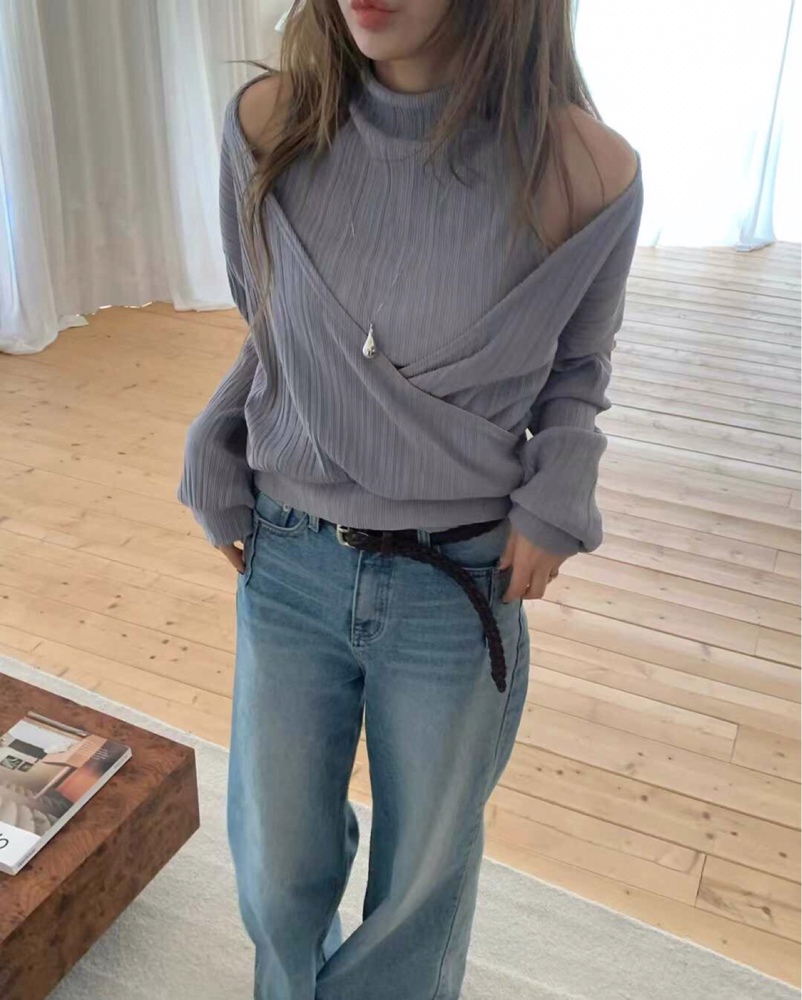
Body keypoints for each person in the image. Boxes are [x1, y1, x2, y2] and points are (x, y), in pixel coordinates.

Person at [178, 0, 643, 997]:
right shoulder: (264, 127)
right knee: (273, 872)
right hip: (290, 559)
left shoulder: (587, 170)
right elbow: (276, 330)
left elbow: (578, 366)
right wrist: (215, 440)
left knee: (418, 891)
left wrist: (558, 492)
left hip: (456, 582)